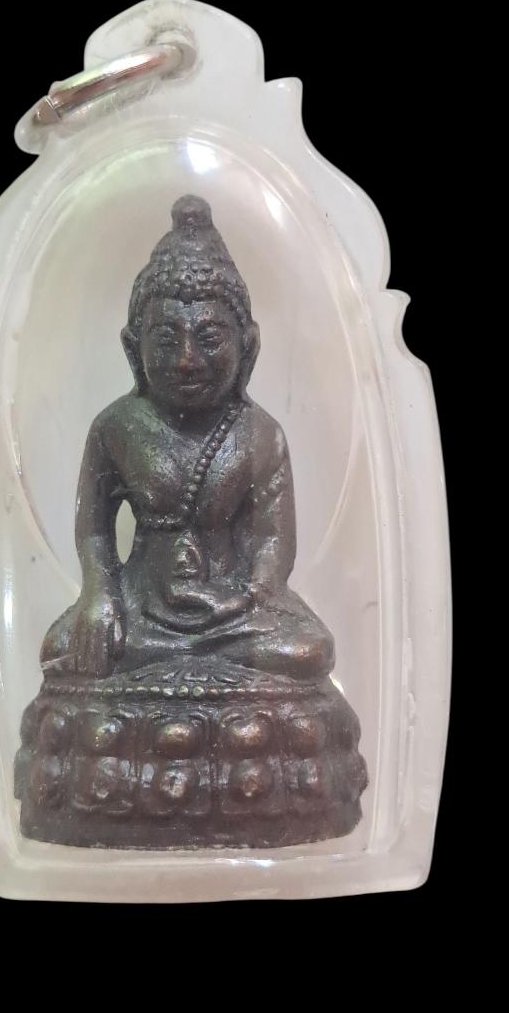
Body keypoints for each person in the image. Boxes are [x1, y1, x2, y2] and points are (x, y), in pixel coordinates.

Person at [41, 195, 335, 683]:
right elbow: (93, 530)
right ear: (132, 349)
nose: (187, 359)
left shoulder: (260, 434)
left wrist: (243, 597)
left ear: (248, 347)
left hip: (234, 613)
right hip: (139, 606)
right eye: (166, 339)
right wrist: (99, 596)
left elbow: (273, 541)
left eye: (210, 338)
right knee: (61, 649)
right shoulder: (115, 427)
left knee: (309, 650)